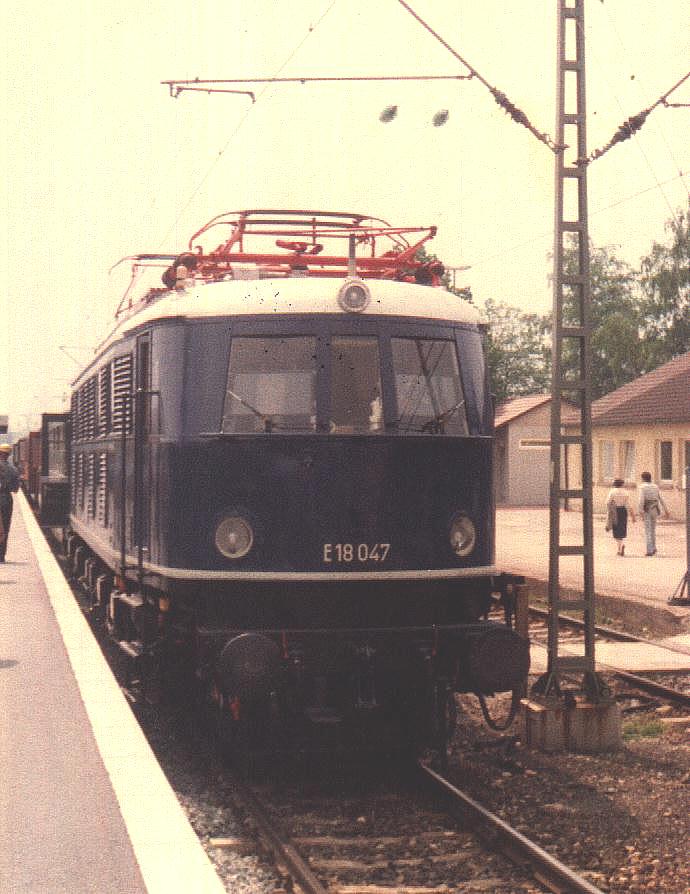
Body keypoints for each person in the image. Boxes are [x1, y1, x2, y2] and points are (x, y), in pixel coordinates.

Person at [637, 471, 669, 557]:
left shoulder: (642, 487)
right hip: (655, 509)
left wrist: (640, 511)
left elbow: (641, 500)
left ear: (643, 478)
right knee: (653, 530)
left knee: (648, 530)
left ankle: (649, 550)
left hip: (647, 509)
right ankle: (654, 548)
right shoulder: (655, 486)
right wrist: (666, 510)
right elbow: (660, 498)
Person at [0, 444, 20, 563]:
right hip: (6, 499)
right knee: (5, 527)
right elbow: (16, 489)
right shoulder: (13, 469)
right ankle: (1, 556)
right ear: (8, 455)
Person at [605, 478, 635, 556]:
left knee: (616, 530)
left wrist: (609, 511)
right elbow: (629, 505)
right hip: (623, 511)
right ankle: (620, 548)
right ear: (622, 484)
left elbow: (608, 502)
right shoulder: (625, 492)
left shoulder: (612, 491)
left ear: (614, 484)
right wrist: (633, 516)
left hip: (615, 511)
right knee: (621, 529)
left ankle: (620, 547)